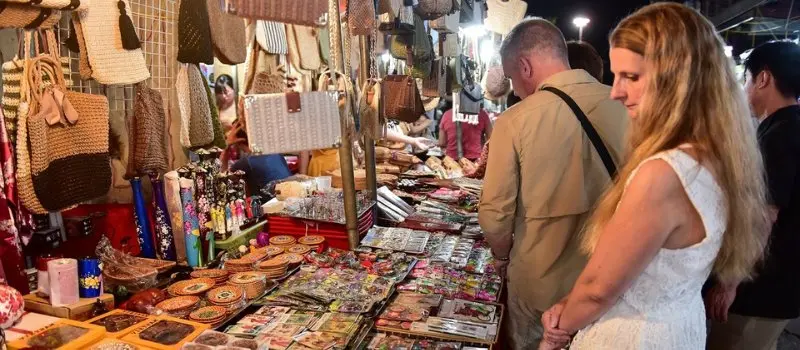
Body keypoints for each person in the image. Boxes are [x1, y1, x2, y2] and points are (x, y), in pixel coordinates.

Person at [538, 3, 770, 349]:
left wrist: (558, 329)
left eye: (631, 77)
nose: (616, 91)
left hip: (633, 335)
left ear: (679, 79)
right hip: (678, 325)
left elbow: (598, 289)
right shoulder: (718, 157)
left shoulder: (665, 172)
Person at [478, 18, 628, 349]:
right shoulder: (629, 109)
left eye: (512, 78)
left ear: (525, 66)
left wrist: (501, 256)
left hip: (539, 287)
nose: (515, 89)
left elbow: (494, 213)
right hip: (610, 284)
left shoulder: (516, 120)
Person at [706, 41, 800, 350]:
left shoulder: (779, 137)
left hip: (760, 292)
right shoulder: (788, 128)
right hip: (783, 287)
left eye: (746, 79)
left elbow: (763, 216)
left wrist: (728, 283)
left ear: (763, 79)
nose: (744, 88)